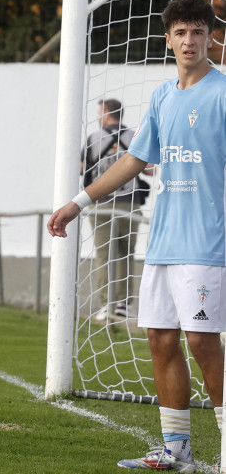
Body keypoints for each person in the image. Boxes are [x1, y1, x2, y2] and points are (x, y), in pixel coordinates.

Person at [49, 0, 226, 472]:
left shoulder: (224, 93)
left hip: (209, 242)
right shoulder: (164, 97)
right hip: (163, 242)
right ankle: (177, 450)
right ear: (167, 40)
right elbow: (131, 161)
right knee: (161, 340)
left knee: (202, 341)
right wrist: (77, 202)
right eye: (181, 33)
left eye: (198, 31)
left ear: (212, 37)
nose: (189, 41)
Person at [82, 98, 148, 322]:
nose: (98, 116)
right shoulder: (134, 136)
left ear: (107, 112)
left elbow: (82, 167)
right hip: (130, 202)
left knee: (103, 254)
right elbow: (149, 170)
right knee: (126, 253)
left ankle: (105, 304)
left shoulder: (94, 137)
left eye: (100, 111)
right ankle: (123, 304)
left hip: (101, 203)